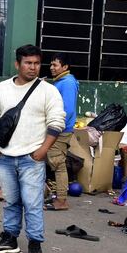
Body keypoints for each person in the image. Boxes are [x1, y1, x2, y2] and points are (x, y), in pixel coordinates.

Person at [0, 44, 65, 253]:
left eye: (37, 63)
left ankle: (34, 244)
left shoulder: (48, 91)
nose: (33, 67)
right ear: (17, 64)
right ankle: (10, 238)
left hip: (32, 157)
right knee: (11, 201)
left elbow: (57, 122)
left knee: (32, 203)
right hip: (5, 156)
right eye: (28, 63)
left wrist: (41, 151)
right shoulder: (2, 88)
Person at [45, 53, 79, 211]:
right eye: (51, 65)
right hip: (55, 129)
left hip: (59, 130)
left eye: (55, 65)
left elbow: (68, 110)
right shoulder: (60, 82)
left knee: (58, 164)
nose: (52, 68)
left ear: (65, 67)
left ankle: (61, 200)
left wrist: (55, 129)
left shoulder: (67, 83)